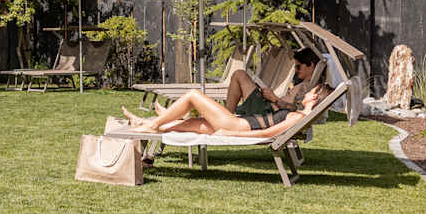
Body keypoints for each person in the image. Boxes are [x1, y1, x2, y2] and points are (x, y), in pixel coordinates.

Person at [117, 80, 333, 138]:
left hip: (236, 125)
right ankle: (145, 123)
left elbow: (267, 133)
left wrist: (232, 133)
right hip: (237, 122)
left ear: (314, 97)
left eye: (310, 91)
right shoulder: (299, 115)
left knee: (193, 95)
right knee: (188, 125)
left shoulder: (297, 117)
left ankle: (153, 124)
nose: (306, 92)